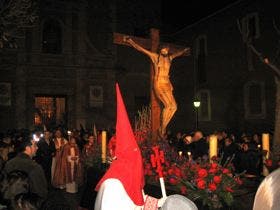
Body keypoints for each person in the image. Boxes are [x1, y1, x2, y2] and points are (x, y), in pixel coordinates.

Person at [94, 83, 166, 210]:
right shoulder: (113, 185)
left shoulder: (127, 176)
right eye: (135, 156)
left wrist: (159, 203)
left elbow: (138, 199)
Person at [124, 36, 190, 138]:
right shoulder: (155, 57)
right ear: (161, 49)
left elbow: (177, 54)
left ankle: (163, 127)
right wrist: (131, 41)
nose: (166, 50)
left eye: (167, 49)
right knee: (168, 106)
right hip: (159, 83)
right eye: (164, 49)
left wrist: (183, 50)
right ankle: (162, 129)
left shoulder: (169, 58)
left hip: (167, 83)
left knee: (174, 107)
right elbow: (142, 49)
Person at [3, 139, 48, 208]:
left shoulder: (9, 163)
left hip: (11, 205)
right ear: (28, 148)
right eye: (35, 145)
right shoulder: (34, 167)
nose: (37, 147)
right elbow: (41, 192)